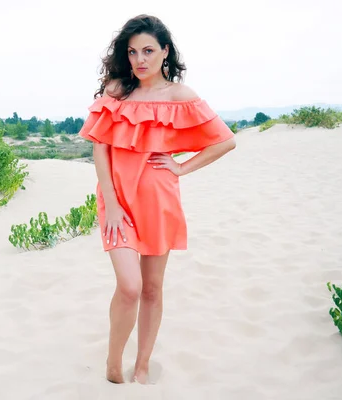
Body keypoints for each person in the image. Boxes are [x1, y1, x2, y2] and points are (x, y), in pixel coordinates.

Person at [77, 14, 236, 384]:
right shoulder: (118, 90)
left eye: (148, 51)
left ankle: (144, 364)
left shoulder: (181, 97)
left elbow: (225, 141)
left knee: (151, 288)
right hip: (117, 202)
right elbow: (100, 149)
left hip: (159, 201)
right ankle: (113, 363)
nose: (139, 60)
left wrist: (181, 169)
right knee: (129, 286)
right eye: (132, 52)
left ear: (165, 51)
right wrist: (112, 202)